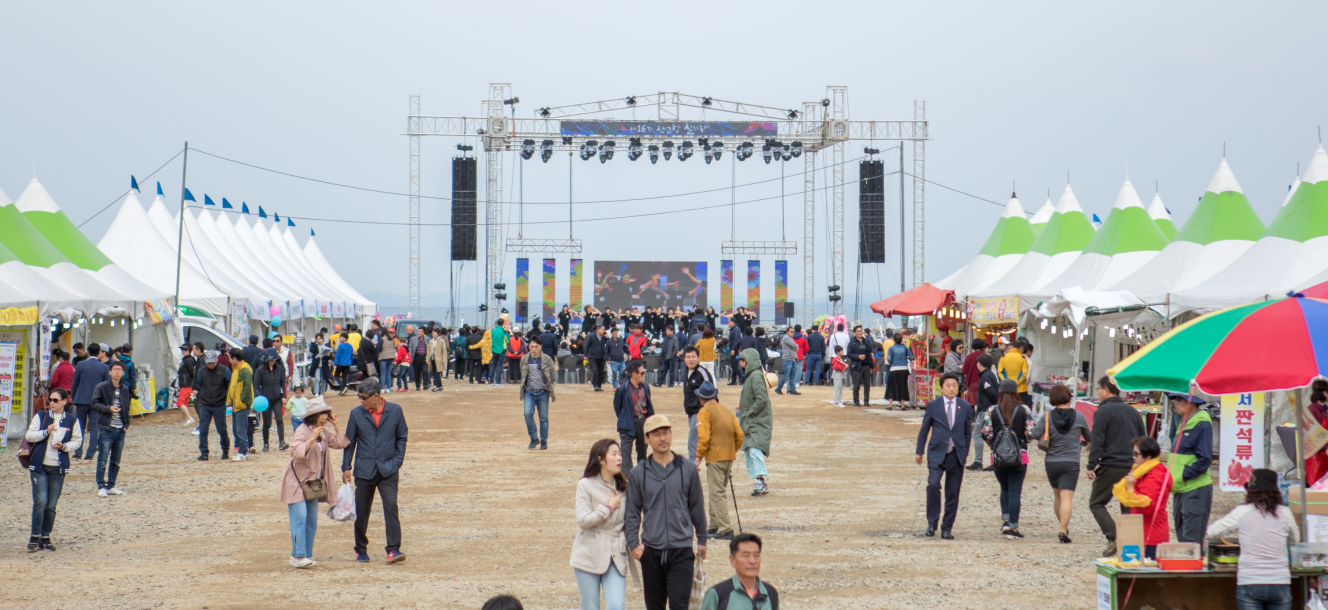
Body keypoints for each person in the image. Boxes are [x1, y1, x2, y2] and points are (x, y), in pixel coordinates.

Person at [624, 414, 707, 610]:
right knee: (654, 606)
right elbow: (632, 511)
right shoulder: (638, 473)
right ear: (646, 439)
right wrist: (633, 543)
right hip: (651, 551)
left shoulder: (687, 469)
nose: (662, 438)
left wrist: (702, 539)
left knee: (680, 605)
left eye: (666, 432)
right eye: (656, 434)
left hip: (682, 549)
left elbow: (697, 505)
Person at [1207, 469, 1300, 610]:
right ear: (1276, 492)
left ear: (1251, 491)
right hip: (1280, 582)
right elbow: (1295, 542)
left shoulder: (1242, 512)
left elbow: (1212, 532)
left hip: (1249, 582)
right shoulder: (1285, 512)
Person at [341, 376, 408, 563]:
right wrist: (346, 466)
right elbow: (350, 442)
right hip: (364, 470)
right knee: (361, 511)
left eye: (363, 397)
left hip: (388, 469)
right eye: (359, 398)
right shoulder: (356, 414)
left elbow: (402, 436)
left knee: (391, 507)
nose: (361, 401)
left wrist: (397, 461)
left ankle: (393, 549)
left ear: (376, 396)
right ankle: (360, 548)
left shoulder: (395, 411)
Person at [282, 397, 348, 568]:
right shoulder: (303, 430)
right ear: (312, 415)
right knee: (300, 517)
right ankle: (297, 556)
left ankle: (306, 555)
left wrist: (336, 425)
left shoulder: (324, 432)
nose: (325, 417)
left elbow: (341, 443)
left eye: (326, 413)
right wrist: (311, 438)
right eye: (321, 414)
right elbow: (296, 452)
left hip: (312, 484)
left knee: (311, 520)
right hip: (297, 483)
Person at [1087, 376, 1147, 557]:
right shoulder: (1132, 411)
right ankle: (1130, 545)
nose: (1097, 393)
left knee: (1097, 503)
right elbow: (1142, 438)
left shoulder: (1103, 412)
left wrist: (1091, 464)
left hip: (1110, 464)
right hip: (1131, 465)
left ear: (1106, 389)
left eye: (1098, 389)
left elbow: (1097, 440)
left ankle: (1115, 536)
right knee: (1127, 503)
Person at [572, 439, 630, 610]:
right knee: (591, 607)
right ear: (600, 459)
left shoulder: (624, 487)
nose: (619, 458)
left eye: (620, 454)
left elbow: (631, 520)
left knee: (617, 606)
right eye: (614, 454)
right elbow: (583, 520)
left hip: (616, 554)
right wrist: (608, 507)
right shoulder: (585, 485)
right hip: (588, 553)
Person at [914, 372, 973, 539]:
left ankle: (947, 527)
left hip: (956, 454)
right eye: (948, 385)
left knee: (953, 491)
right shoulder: (934, 405)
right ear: (942, 387)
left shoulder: (965, 406)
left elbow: (967, 432)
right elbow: (924, 429)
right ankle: (931, 522)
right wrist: (920, 451)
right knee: (933, 484)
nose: (952, 388)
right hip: (937, 452)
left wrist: (964, 451)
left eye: (954, 385)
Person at [1031, 384, 1091, 543]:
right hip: (1071, 461)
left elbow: (1034, 434)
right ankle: (1062, 529)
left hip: (1052, 461)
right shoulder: (1079, 416)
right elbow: (1089, 437)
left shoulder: (1047, 416)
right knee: (1067, 498)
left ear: (1052, 399)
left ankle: (1062, 526)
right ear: (1069, 398)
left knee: (1057, 496)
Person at [25, 387, 80, 552]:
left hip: (58, 467)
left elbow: (77, 441)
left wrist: (64, 446)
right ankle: (34, 537)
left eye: (56, 400)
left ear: (64, 401)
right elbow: (29, 436)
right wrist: (45, 432)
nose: (52, 403)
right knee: (40, 501)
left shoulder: (72, 420)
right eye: (50, 400)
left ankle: (45, 536)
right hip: (39, 465)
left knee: (51, 504)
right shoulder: (41, 416)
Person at [980, 379, 1034, 538]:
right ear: (1016, 392)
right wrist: (1022, 441)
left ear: (1001, 392)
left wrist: (994, 444)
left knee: (1004, 488)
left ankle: (1005, 520)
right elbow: (1031, 433)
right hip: (1019, 456)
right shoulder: (1024, 409)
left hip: (998, 458)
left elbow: (986, 433)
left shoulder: (992, 410)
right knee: (1015, 491)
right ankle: (1013, 527)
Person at [695, 381, 742, 540]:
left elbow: (704, 438)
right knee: (717, 492)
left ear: (701, 399)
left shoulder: (704, 411)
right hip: (728, 457)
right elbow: (739, 435)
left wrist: (698, 458)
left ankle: (725, 529)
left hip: (715, 458)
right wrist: (730, 450)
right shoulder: (725, 410)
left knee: (717, 493)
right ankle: (714, 525)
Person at [1112, 436, 1171, 559]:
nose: (1133, 457)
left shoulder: (1153, 476)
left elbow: (1148, 508)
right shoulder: (1144, 472)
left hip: (1150, 537)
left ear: (1148, 456)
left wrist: (1131, 489)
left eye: (1136, 454)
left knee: (1146, 575)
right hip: (1144, 533)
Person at [1167, 393, 1214, 545]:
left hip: (1194, 490)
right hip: (1181, 488)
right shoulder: (1186, 422)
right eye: (1174, 399)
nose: (1176, 403)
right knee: (1183, 541)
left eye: (1180, 399)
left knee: (1191, 543)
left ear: (1192, 402)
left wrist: (1182, 476)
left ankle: (1192, 569)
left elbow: (1205, 459)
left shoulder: (1201, 423)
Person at [701, 533, 779, 610]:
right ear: (732, 560)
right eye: (746, 555)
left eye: (756, 555)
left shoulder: (770, 592)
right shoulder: (718, 594)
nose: (752, 561)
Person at [91, 360, 134, 497]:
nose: (117, 372)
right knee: (103, 459)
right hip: (106, 427)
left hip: (120, 429)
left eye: (119, 370)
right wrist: (109, 409)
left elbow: (127, 407)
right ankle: (101, 485)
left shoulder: (125, 389)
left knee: (116, 460)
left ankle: (111, 485)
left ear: (123, 373)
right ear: (110, 372)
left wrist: (126, 424)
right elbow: (94, 403)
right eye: (114, 369)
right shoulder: (102, 387)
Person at [738, 348, 773, 496]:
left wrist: (749, 413)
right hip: (753, 420)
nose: (740, 363)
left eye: (742, 360)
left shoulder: (756, 376)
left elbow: (761, 399)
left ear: (748, 361)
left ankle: (760, 480)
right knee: (750, 449)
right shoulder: (752, 375)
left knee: (754, 448)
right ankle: (759, 481)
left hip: (758, 420)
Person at [613, 360, 655, 476]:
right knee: (625, 453)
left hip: (643, 422)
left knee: (642, 451)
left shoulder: (645, 388)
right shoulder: (622, 389)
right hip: (628, 423)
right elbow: (618, 407)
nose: (643, 375)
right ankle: (628, 477)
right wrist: (625, 418)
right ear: (634, 374)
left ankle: (642, 476)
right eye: (641, 373)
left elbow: (649, 405)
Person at [70, 342, 109, 461]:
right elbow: (106, 386)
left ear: (87, 352)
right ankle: (90, 453)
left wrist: (73, 395)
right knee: (94, 427)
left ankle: (78, 452)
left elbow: (75, 382)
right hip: (96, 401)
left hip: (81, 399)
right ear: (99, 353)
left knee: (80, 426)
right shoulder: (104, 367)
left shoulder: (81, 365)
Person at [194, 350, 232, 461]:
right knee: (203, 429)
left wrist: (227, 400)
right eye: (208, 363)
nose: (210, 365)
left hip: (219, 404)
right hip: (205, 404)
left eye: (212, 362)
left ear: (216, 360)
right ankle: (204, 453)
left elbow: (229, 386)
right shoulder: (202, 371)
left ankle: (225, 450)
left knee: (222, 429)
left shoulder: (224, 370)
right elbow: (199, 384)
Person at [519, 339, 556, 450]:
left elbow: (552, 375)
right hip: (529, 391)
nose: (534, 349)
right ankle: (534, 437)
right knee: (527, 414)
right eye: (531, 346)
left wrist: (550, 387)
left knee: (543, 417)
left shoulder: (547, 359)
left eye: (536, 346)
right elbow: (523, 374)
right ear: (528, 347)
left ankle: (544, 440)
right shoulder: (525, 359)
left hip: (543, 392)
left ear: (540, 346)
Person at [967, 353, 1000, 472]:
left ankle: (978, 461)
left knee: (977, 434)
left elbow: (991, 392)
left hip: (985, 410)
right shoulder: (991, 375)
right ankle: (994, 460)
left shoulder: (986, 377)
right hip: (989, 409)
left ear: (979, 364)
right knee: (989, 435)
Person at [682, 346, 714, 461]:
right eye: (688, 357)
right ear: (684, 359)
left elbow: (712, 392)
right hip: (690, 413)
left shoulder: (702, 373)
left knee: (692, 443)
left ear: (698, 358)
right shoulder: (687, 372)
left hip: (699, 412)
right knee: (698, 442)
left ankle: (692, 471)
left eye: (693, 357)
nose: (691, 360)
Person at [254, 348, 289, 452]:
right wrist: (259, 398)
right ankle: (266, 444)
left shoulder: (279, 369)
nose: (273, 361)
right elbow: (256, 386)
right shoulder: (260, 370)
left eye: (274, 359)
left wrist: (284, 396)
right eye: (271, 359)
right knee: (266, 422)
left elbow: (282, 383)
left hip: (277, 398)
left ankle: (282, 442)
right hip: (265, 400)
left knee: (279, 419)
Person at [227, 348, 255, 460]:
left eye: (230, 357)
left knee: (241, 430)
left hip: (241, 405)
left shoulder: (245, 370)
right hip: (235, 405)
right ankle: (242, 450)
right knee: (236, 429)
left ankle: (242, 452)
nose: (228, 359)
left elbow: (247, 387)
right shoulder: (236, 369)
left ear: (234, 358)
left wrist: (242, 399)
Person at [849, 326, 880, 407]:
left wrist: (872, 353)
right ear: (854, 333)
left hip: (866, 365)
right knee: (857, 384)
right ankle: (856, 401)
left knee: (867, 384)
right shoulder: (852, 342)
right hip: (856, 366)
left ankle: (866, 400)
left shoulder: (866, 341)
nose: (860, 332)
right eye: (858, 331)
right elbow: (849, 354)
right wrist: (858, 357)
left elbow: (871, 349)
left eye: (861, 331)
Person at [997, 340, 1030, 406]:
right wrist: (1016, 382)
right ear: (1021, 348)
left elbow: (1000, 371)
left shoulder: (1003, 357)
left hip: (1006, 389)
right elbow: (1024, 373)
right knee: (1020, 408)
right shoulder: (1023, 358)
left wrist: (1007, 382)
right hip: (1020, 389)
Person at [173, 343, 197, 426]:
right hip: (185, 385)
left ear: (189, 351)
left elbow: (193, 373)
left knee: (180, 403)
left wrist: (194, 385)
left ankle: (190, 418)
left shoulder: (188, 361)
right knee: (184, 403)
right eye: (182, 350)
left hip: (187, 385)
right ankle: (185, 420)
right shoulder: (186, 360)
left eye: (185, 350)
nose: (183, 351)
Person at [775, 327, 801, 395]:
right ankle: (778, 388)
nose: (792, 333)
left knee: (792, 375)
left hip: (791, 358)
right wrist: (795, 347)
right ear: (787, 332)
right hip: (787, 359)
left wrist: (795, 347)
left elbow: (796, 347)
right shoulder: (786, 338)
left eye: (793, 332)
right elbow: (795, 346)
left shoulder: (789, 338)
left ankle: (792, 389)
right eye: (791, 331)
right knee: (786, 375)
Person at [960, 339, 987, 405]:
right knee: (983, 404)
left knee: (971, 404)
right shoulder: (986, 356)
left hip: (972, 383)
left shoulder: (969, 356)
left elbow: (964, 371)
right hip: (984, 383)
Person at [587, 325, 609, 392]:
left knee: (601, 372)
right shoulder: (592, 336)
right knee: (595, 371)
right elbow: (588, 346)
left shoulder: (604, 337)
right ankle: (595, 385)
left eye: (604, 329)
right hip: (593, 356)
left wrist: (607, 337)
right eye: (602, 329)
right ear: (598, 330)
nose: (603, 331)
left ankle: (599, 385)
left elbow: (608, 344)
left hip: (601, 357)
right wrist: (585, 355)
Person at [489, 318, 509, 385]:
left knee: (493, 365)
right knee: (500, 365)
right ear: (503, 323)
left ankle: (491, 381)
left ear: (497, 323)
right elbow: (508, 340)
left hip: (494, 349)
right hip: (501, 350)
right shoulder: (504, 331)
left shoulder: (493, 331)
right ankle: (498, 381)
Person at [427, 328, 448, 392]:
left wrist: (444, 360)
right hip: (432, 359)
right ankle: (440, 386)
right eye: (432, 333)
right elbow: (428, 350)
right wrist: (427, 358)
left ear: (438, 333)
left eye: (434, 333)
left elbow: (444, 351)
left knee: (437, 373)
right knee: (434, 372)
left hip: (439, 359)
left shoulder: (441, 341)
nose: (433, 335)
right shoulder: (431, 341)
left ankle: (435, 385)